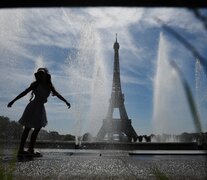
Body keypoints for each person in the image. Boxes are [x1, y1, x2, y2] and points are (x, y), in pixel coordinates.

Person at [7, 68, 71, 157]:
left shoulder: (49, 86)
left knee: (37, 129)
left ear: (46, 75)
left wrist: (66, 101)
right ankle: (21, 150)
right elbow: (24, 93)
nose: (40, 75)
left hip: (40, 108)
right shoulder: (36, 84)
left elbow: (57, 94)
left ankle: (30, 149)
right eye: (39, 74)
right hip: (33, 107)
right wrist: (13, 101)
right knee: (27, 128)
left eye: (42, 73)